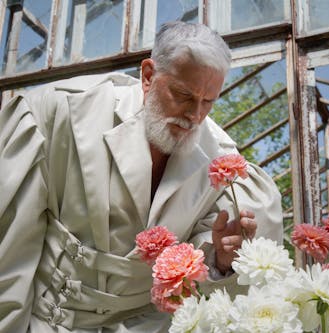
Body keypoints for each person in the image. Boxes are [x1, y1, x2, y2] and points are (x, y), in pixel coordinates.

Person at [0, 21, 283, 332]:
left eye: (208, 102)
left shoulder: (222, 160)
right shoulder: (63, 113)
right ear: (148, 75)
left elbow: (206, 277)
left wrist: (222, 260)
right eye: (183, 94)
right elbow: (11, 249)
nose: (195, 115)